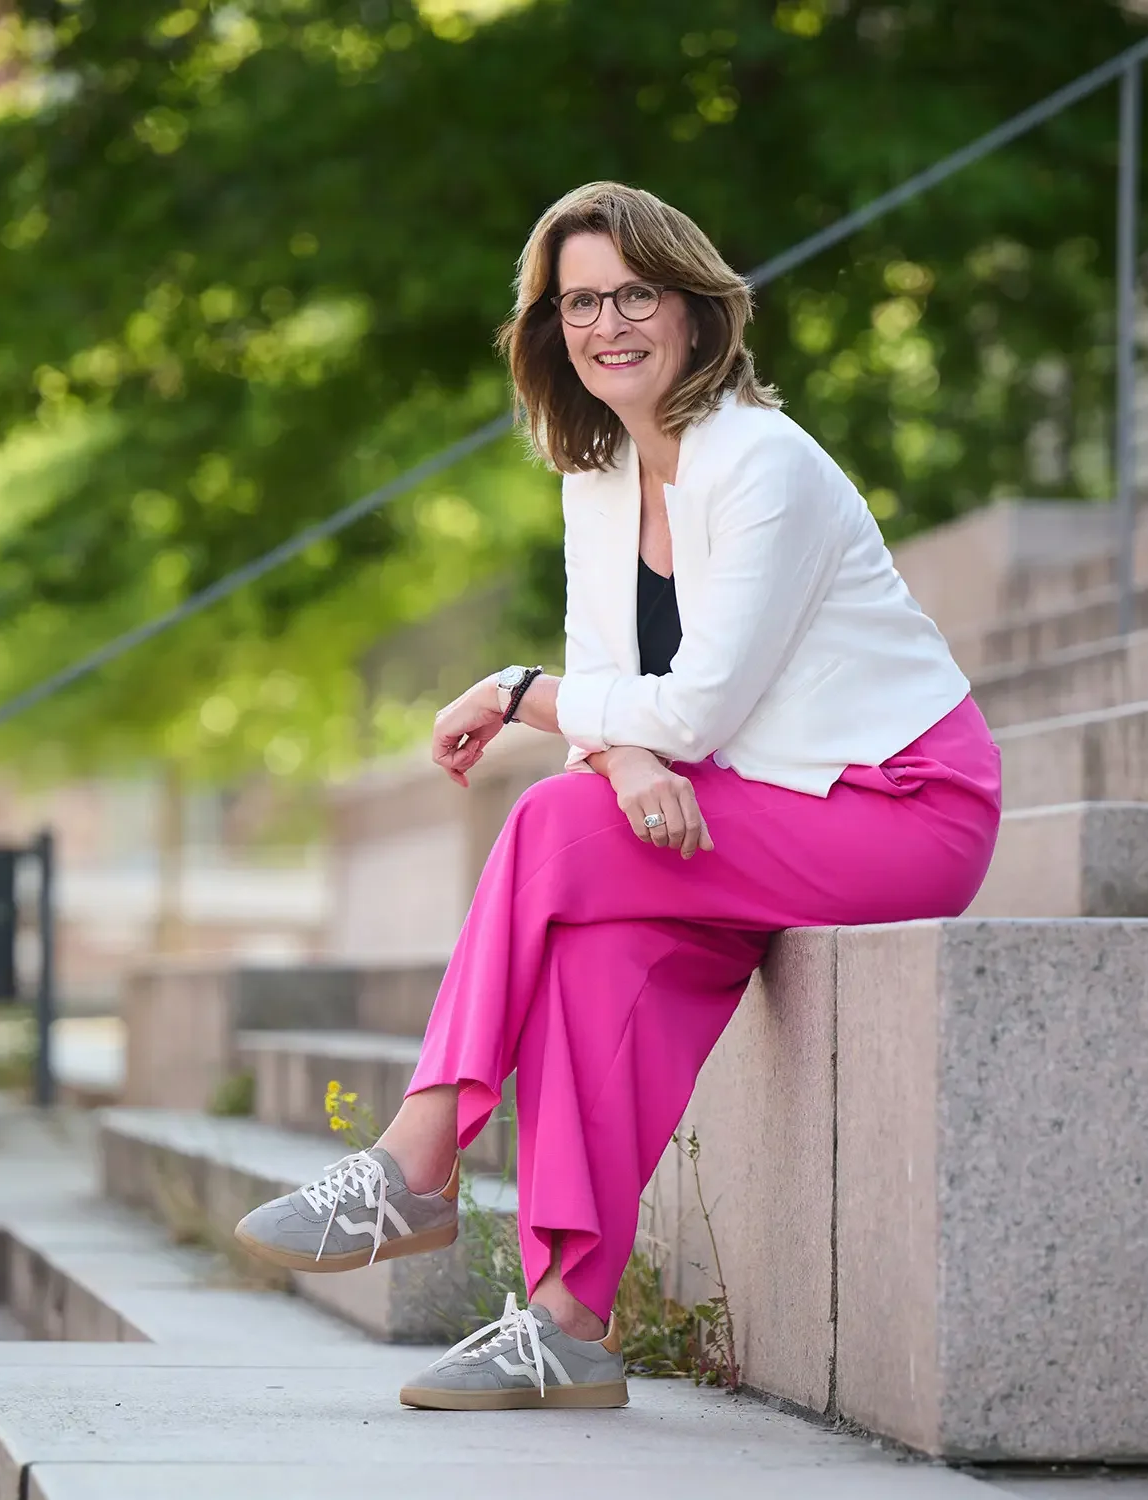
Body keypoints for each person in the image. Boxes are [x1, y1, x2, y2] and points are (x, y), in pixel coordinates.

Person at [234, 181, 1001, 1411]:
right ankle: (568, 1327)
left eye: (634, 293)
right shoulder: (594, 480)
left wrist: (519, 691)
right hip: (742, 805)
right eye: (579, 302)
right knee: (600, 950)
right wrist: (620, 754)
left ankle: (414, 1160)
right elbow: (617, 698)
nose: (608, 323)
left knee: (545, 821)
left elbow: (682, 704)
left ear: (695, 309)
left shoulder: (763, 461)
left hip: (898, 807)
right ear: (551, 332)